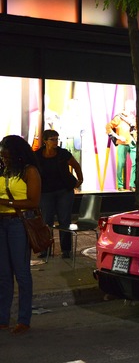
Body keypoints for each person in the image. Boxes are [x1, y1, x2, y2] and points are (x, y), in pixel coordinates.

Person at [0, 135, 42, 335]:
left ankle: (24, 319)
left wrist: (6, 203)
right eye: (2, 156)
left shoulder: (29, 171)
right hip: (1, 224)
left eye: (7, 156)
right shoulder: (4, 170)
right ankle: (3, 318)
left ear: (17, 154)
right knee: (3, 274)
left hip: (18, 224)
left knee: (21, 272)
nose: (4, 159)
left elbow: (33, 202)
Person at [35, 129, 83, 259]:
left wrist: (80, 180)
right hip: (46, 192)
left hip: (64, 190)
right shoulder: (38, 155)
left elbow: (76, 165)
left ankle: (66, 249)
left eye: (57, 139)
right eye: (53, 139)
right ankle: (46, 249)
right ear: (45, 141)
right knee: (46, 221)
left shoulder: (63, 153)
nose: (56, 142)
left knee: (64, 220)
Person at [105, 99, 137, 191]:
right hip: (122, 143)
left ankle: (132, 184)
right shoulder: (119, 117)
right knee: (121, 164)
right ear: (127, 106)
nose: (133, 108)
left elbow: (136, 129)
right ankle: (120, 185)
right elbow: (108, 127)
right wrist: (118, 137)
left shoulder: (133, 118)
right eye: (131, 106)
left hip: (132, 143)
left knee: (135, 163)